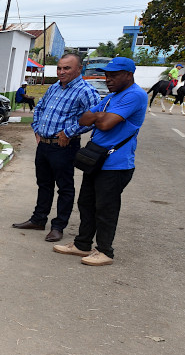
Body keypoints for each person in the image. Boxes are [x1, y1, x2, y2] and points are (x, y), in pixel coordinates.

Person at [53, 56, 146, 266]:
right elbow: (83, 118)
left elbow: (105, 125)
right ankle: (82, 244)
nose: (108, 79)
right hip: (97, 160)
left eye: (114, 75)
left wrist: (99, 117)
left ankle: (105, 251)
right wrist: (99, 116)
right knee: (86, 203)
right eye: (106, 75)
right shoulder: (113, 96)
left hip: (117, 164)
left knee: (106, 208)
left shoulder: (135, 95)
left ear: (129, 75)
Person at [12, 53, 99, 243]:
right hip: (44, 145)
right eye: (59, 68)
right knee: (43, 184)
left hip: (64, 147)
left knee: (64, 187)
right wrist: (36, 129)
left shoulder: (85, 91)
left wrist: (69, 132)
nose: (61, 72)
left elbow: (96, 117)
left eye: (66, 68)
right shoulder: (54, 88)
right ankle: (38, 219)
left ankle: (58, 226)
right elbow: (40, 108)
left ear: (79, 69)